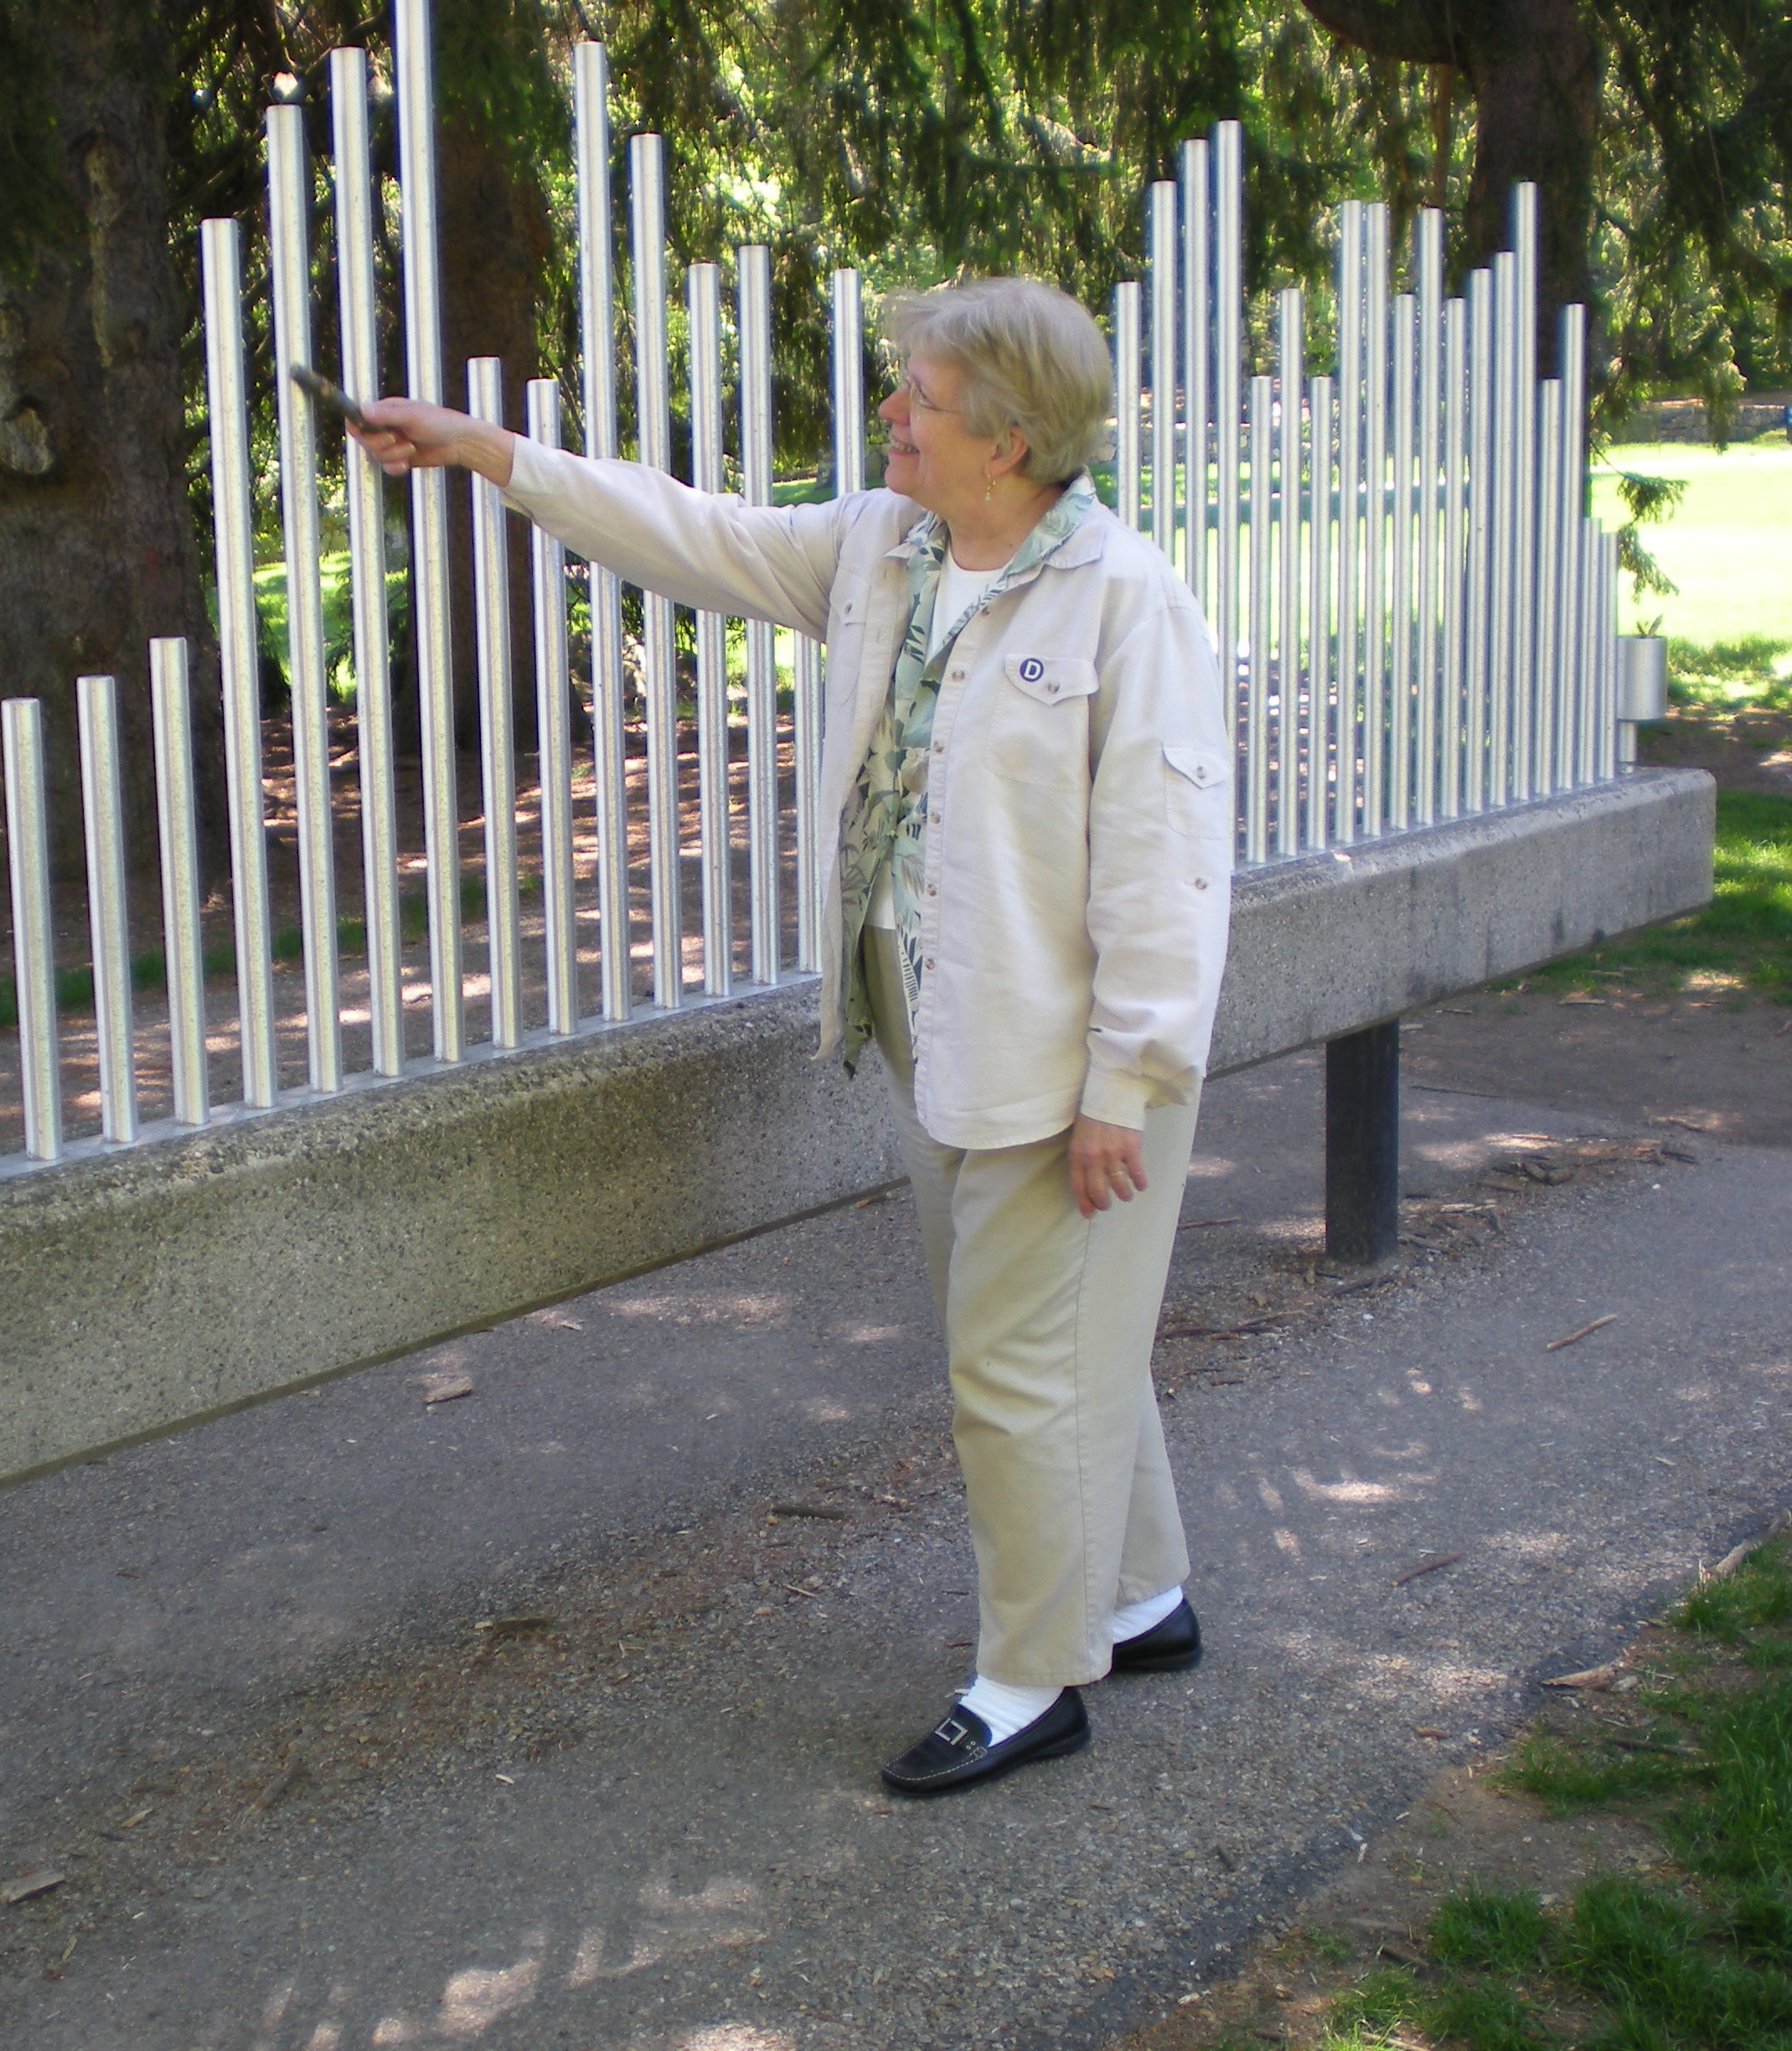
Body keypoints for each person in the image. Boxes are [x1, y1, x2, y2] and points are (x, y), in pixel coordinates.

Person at [352, 275, 1232, 1796]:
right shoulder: (887, 548)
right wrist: (487, 452)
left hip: (1068, 1062)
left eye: (924, 399)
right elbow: (698, 532)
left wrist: (1126, 1088)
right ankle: (1141, 1599)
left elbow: (1169, 863)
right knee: (1059, 1335)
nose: (893, 413)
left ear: (1011, 440)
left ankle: (1033, 1677)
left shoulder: (1120, 598)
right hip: (927, 1013)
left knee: (1011, 1369)